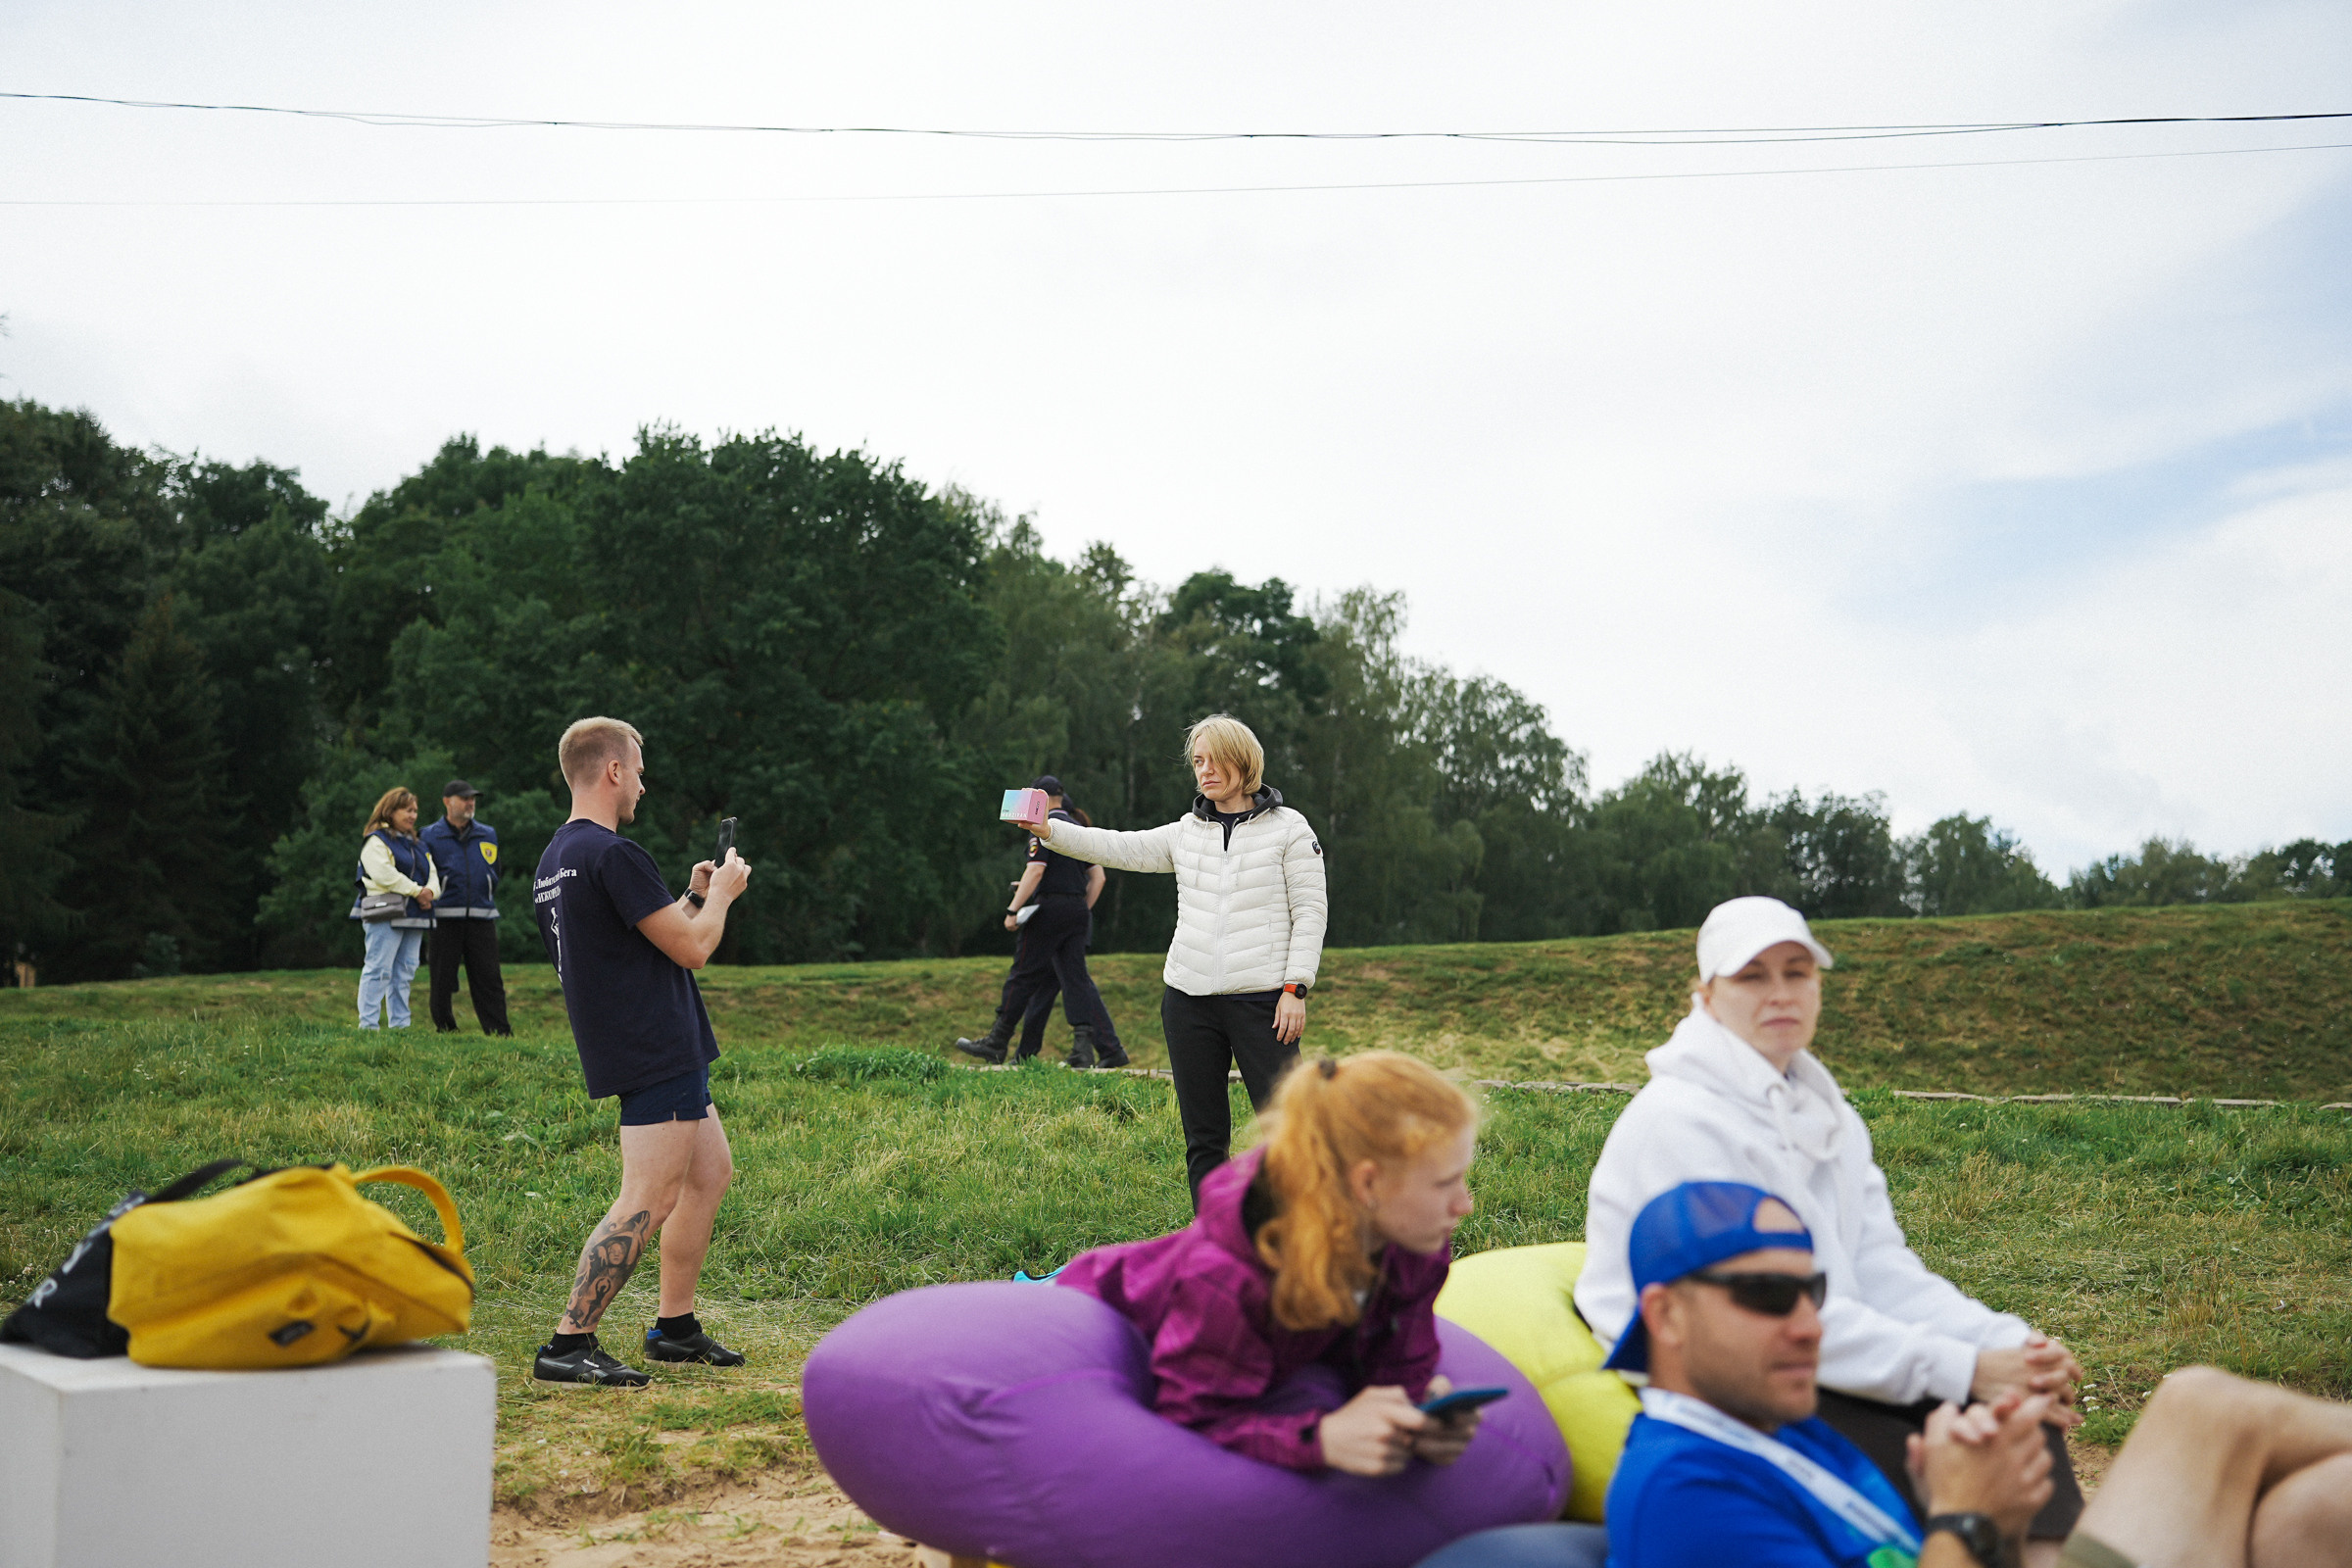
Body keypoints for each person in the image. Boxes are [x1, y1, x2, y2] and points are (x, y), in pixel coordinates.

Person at [1430, 1180, 2352, 1568]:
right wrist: (1963, 1515)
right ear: (1664, 1314)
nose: (1807, 1323)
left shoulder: (1784, 1433)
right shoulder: (1686, 1490)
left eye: (1813, 1291)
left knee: (2309, 1515)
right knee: (2201, 1407)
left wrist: (1992, 1517)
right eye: (1764, 1294)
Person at [1575, 896, 2089, 1558]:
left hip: (1814, 1341)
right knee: (1983, 1421)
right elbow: (1756, 1304)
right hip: (1727, 1365)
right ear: (1705, 995)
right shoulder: (1681, 1120)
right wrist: (1965, 1369)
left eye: (1798, 972)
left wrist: (2012, 1346)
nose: (1780, 993)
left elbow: (1882, 1268)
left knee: (2010, 1405)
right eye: (1752, 976)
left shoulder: (1826, 1113)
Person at [1055, 1052, 1486, 1474]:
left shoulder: (1414, 1242)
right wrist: (1318, 1439)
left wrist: (1419, 1414)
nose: (1465, 1204)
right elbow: (1193, 1415)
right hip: (1099, 1318)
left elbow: (1399, 1360)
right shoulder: (1230, 1277)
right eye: (1446, 1182)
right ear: (1368, 1183)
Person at [529, 716, 753, 1387]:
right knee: (648, 1198)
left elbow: (650, 937)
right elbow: (694, 948)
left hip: (639, 1040)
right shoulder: (614, 854)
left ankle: (673, 1329)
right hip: (654, 1043)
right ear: (613, 771)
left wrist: (688, 895)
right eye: (640, 770)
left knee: (709, 1174)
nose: (645, 786)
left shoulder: (558, 857)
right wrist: (722, 897)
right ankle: (568, 1343)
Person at [1020, 714, 1327, 1201]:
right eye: (1197, 762)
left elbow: (1310, 911)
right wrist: (1050, 830)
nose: (1203, 771)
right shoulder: (1186, 832)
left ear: (1242, 760)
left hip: (1264, 1003)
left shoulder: (1290, 830)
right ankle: (1212, 1241)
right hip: (1188, 1002)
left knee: (1292, 1130)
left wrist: (1296, 987)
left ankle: (1306, 1235)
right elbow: (1116, 845)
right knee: (1204, 1140)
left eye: (1214, 759)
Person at [954, 775, 1127, 1069]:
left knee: (1022, 974)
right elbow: (1098, 877)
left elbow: (1035, 870)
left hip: (1048, 911)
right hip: (1076, 912)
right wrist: (1079, 908)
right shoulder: (1080, 829)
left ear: (1038, 798)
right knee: (1076, 979)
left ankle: (998, 1040)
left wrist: (1012, 910)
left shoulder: (1043, 827)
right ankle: (1083, 1050)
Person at [419, 778, 513, 1037]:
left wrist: (488, 886)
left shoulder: (488, 833)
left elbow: (494, 869)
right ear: (447, 802)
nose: (471, 802)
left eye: (472, 798)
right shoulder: (428, 835)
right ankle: (446, 1029)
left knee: (490, 978)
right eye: (464, 798)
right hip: (444, 916)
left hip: (482, 916)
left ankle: (499, 1032)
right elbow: (424, 873)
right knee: (442, 978)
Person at [349, 786, 440, 1030]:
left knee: (405, 971)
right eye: (406, 810)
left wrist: (430, 892)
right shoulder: (376, 841)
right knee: (378, 969)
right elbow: (383, 874)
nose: (412, 816)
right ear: (390, 811)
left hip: (414, 914)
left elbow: (432, 873)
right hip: (385, 913)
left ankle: (400, 1026)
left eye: (415, 811)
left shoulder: (418, 844)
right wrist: (417, 891)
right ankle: (368, 1026)